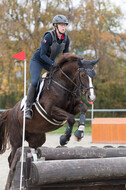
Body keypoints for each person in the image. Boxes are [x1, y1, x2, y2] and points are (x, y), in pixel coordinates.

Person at [25, 15, 70, 120]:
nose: (63, 27)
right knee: (35, 81)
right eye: (61, 25)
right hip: (38, 61)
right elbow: (42, 55)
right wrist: (53, 64)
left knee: (61, 79)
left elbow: (66, 55)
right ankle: (28, 107)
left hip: (49, 63)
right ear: (55, 26)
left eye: (65, 25)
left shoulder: (66, 39)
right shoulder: (48, 36)